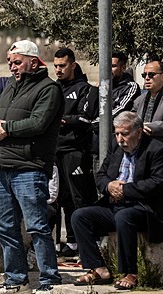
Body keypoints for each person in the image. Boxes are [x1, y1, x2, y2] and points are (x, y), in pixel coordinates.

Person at [0, 40, 63, 293]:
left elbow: (38, 123)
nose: (13, 67)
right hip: (3, 167)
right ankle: (15, 279)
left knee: (37, 226)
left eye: (17, 62)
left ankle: (49, 280)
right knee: (4, 227)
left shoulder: (48, 88)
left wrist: (4, 129)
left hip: (29, 167)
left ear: (34, 61)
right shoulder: (9, 88)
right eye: (10, 63)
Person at [71, 111, 163, 290]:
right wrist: (109, 187)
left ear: (138, 133)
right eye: (116, 133)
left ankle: (130, 273)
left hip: (143, 208)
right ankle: (99, 269)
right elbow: (101, 176)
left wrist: (124, 190)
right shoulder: (116, 148)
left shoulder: (156, 149)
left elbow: (157, 183)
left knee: (125, 217)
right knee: (80, 216)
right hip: (115, 205)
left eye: (124, 133)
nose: (119, 138)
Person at [53, 48, 98, 258]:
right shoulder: (54, 89)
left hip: (76, 151)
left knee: (80, 197)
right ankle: (71, 241)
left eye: (62, 66)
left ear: (72, 65)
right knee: (62, 199)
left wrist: (64, 120)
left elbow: (85, 118)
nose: (59, 70)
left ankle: (87, 242)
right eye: (56, 66)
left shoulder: (86, 89)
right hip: (56, 151)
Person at [133, 57, 163, 233]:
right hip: (143, 159)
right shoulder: (140, 99)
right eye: (144, 74)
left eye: (151, 75)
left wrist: (145, 128)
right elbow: (132, 121)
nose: (147, 78)